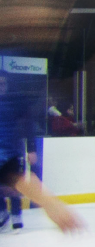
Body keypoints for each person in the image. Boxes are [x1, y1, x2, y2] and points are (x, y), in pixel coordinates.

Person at [0, 74, 80, 234]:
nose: (1, 86)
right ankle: (3, 213)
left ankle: (16, 217)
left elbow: (27, 126)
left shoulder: (14, 104)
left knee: (14, 183)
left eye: (3, 82)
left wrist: (31, 148)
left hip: (12, 152)